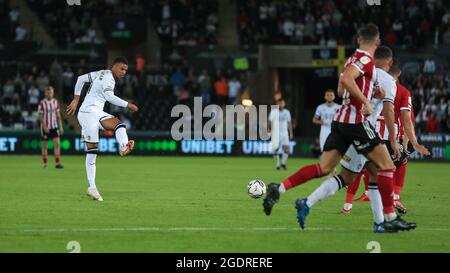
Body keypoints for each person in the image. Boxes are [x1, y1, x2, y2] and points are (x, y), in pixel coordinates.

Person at [262, 24, 414, 232]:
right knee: (386, 166)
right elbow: (346, 80)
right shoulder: (365, 60)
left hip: (341, 120)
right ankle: (389, 218)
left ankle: (279, 188)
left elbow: (342, 89)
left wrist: (367, 93)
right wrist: (365, 101)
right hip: (356, 123)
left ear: (359, 39)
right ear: (377, 42)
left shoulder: (351, 60)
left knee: (325, 169)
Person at [66, 56, 139, 201]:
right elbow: (109, 96)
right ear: (114, 66)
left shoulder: (101, 73)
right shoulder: (109, 78)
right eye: (122, 68)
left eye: (126, 70)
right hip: (87, 114)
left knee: (119, 124)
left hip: (97, 112)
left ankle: (124, 146)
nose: (124, 72)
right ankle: (91, 187)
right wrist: (128, 104)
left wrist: (76, 99)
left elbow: (80, 79)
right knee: (92, 151)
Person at [38, 86, 64, 169]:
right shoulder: (42, 103)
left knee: (57, 144)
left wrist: (60, 126)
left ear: (53, 93)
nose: (50, 94)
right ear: (45, 93)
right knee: (45, 146)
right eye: (48, 92)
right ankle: (45, 163)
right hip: (45, 127)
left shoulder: (55, 102)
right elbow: (40, 116)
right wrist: (44, 126)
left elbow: (58, 115)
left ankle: (57, 163)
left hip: (54, 126)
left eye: (51, 93)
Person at [269, 99, 293, 170]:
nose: (281, 105)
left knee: (287, 149)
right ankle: (277, 164)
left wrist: (291, 133)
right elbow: (270, 121)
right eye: (279, 103)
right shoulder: (273, 112)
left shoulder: (287, 112)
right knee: (275, 149)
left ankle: (283, 163)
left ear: (284, 104)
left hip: (285, 133)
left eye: (282, 103)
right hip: (276, 133)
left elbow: (289, 123)